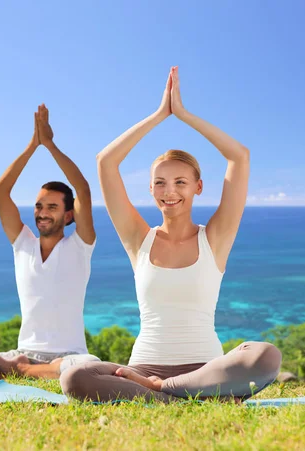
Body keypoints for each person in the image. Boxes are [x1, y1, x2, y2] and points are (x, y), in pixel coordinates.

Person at [60, 67, 282, 402]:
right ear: (150, 188)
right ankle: (186, 398)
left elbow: (239, 156)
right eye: (160, 183)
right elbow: (106, 162)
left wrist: (184, 114)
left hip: (205, 371)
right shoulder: (139, 240)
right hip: (141, 370)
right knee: (75, 376)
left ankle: (167, 393)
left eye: (180, 182)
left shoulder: (215, 239)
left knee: (266, 354)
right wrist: (159, 115)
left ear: (198, 188)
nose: (170, 191)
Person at [0, 104, 100, 381]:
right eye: (38, 206)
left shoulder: (80, 246)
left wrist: (49, 145)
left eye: (51, 207)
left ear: (69, 215)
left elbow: (82, 189)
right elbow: (0, 191)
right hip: (23, 351)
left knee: (89, 365)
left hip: (69, 355)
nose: (42, 213)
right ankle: (26, 369)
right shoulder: (23, 244)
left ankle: (17, 372)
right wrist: (32, 145)